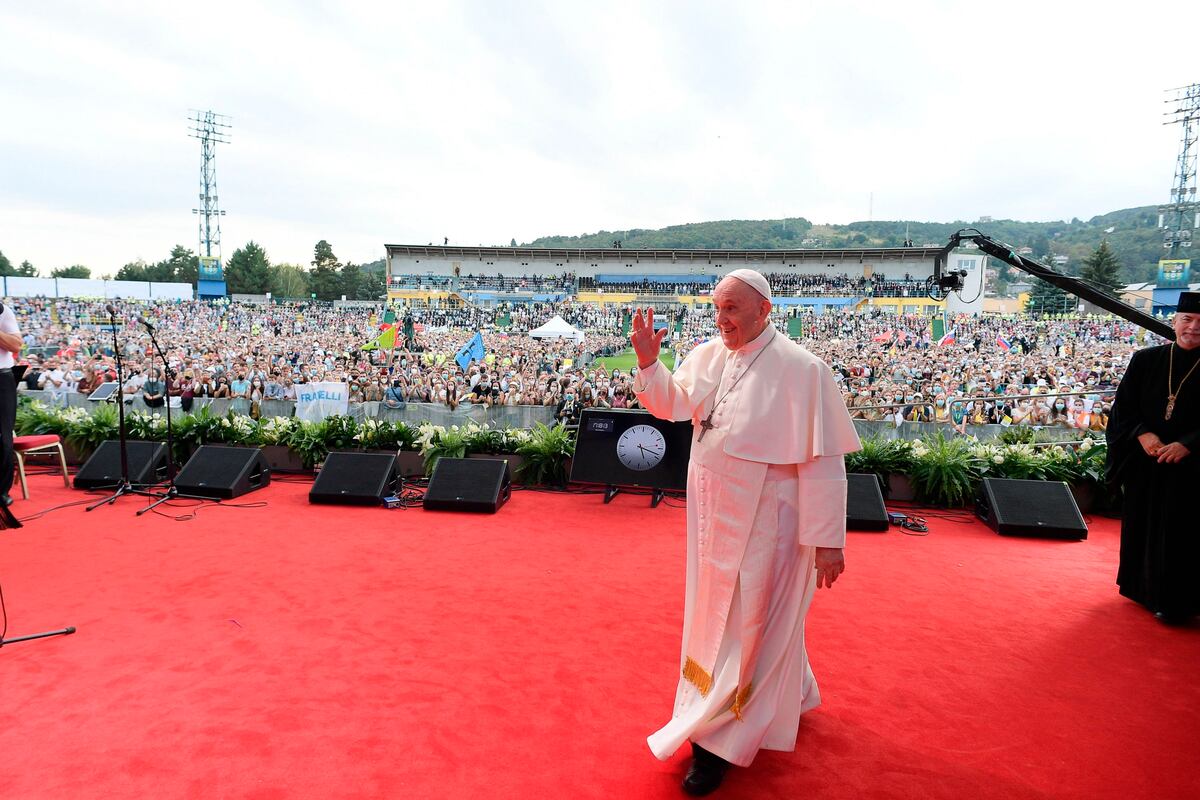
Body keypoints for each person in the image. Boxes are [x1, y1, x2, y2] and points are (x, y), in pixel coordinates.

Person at [631, 269, 860, 795]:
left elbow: (824, 464)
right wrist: (649, 362)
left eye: (732, 308)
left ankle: (715, 744)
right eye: (717, 308)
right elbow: (673, 406)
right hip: (712, 514)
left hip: (771, 521)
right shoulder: (710, 355)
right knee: (734, 619)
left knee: (752, 620)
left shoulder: (804, 371)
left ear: (765, 310)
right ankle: (790, 693)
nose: (721, 319)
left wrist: (828, 541)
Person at [1106, 292, 1200, 625]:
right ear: (1174, 322)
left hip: (1192, 470)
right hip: (1146, 461)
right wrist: (1143, 434)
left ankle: (1176, 601)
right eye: (1187, 320)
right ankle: (1141, 588)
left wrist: (1188, 444)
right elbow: (1123, 408)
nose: (1193, 327)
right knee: (1143, 524)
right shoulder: (1146, 360)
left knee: (1183, 534)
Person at [0, 301, 22, 506]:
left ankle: (1, 491)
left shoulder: (3, 311)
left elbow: (16, 345)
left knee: (2, 437)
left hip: (1, 378)